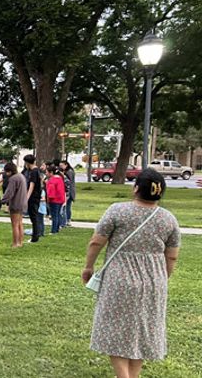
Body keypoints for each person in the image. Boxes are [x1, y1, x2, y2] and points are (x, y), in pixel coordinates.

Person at [83, 169, 181, 378]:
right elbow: (172, 256)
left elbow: (96, 242)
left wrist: (88, 267)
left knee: (114, 329)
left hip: (119, 278)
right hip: (154, 280)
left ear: (136, 188)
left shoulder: (117, 211)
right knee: (142, 331)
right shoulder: (169, 219)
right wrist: (162, 278)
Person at [1, 162, 27, 248]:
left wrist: (2, 201)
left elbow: (9, 192)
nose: (6, 174)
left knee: (15, 225)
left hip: (16, 203)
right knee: (20, 223)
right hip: (22, 202)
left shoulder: (13, 179)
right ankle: (20, 242)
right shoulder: (21, 176)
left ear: (10, 171)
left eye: (6, 171)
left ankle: (15, 243)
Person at [23, 154, 45, 243]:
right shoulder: (36, 171)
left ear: (27, 162)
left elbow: (31, 186)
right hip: (36, 196)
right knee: (34, 216)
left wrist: (27, 198)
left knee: (34, 217)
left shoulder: (33, 172)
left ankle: (35, 236)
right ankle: (36, 235)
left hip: (33, 197)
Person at [46, 165, 66, 234]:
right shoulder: (60, 179)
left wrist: (48, 199)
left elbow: (50, 192)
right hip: (60, 199)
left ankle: (53, 230)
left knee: (54, 216)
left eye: (47, 172)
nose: (46, 173)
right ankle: (57, 229)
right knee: (57, 214)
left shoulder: (51, 180)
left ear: (51, 172)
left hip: (54, 200)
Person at [59, 160, 76, 227]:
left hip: (69, 192)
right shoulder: (66, 171)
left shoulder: (69, 172)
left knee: (67, 207)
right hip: (68, 191)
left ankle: (68, 220)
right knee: (66, 207)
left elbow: (69, 182)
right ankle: (66, 220)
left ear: (66, 165)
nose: (61, 167)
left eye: (62, 165)